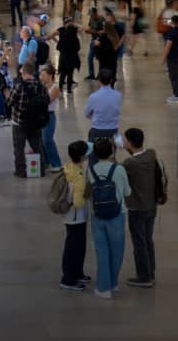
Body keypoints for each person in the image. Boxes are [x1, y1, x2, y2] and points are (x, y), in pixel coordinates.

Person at [123, 127, 167, 288]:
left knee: (139, 243)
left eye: (125, 140)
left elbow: (118, 172)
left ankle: (144, 277)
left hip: (136, 208)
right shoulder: (151, 154)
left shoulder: (129, 164)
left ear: (129, 142)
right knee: (148, 240)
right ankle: (151, 272)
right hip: (151, 206)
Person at [86, 135, 130, 298]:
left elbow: (88, 192)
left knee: (102, 251)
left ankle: (103, 288)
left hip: (97, 214)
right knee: (117, 250)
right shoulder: (119, 170)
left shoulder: (91, 170)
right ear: (112, 151)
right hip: (117, 214)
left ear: (95, 154)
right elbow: (127, 192)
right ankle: (113, 282)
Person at [59, 139, 91, 292]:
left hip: (69, 217)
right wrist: (87, 194)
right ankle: (68, 279)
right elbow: (78, 203)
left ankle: (78, 273)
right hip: (76, 218)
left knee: (78, 246)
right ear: (83, 157)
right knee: (74, 248)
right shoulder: (78, 178)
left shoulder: (68, 168)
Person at [8, 62, 48, 178]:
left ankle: (20, 170)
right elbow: (46, 100)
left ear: (23, 71)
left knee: (19, 148)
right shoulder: (41, 86)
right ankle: (41, 169)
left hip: (19, 122)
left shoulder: (19, 86)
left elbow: (10, 102)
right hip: (35, 122)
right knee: (37, 146)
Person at [84, 69, 122, 144]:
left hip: (97, 129)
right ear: (111, 80)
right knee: (111, 150)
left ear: (99, 80)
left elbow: (87, 113)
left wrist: (95, 118)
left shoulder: (93, 96)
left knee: (92, 149)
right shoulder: (118, 95)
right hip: (113, 129)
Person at [38, 64, 62, 171]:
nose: (41, 77)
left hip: (49, 115)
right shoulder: (40, 86)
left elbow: (47, 101)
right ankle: (46, 161)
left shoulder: (55, 88)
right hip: (40, 115)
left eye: (43, 75)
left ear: (50, 76)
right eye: (41, 75)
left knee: (47, 140)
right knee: (41, 140)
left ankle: (56, 163)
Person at [161, 12, 178, 103]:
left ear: (172, 22)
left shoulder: (171, 33)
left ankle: (176, 96)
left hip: (172, 57)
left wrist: (164, 58)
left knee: (173, 76)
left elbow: (168, 46)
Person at [54, 16, 81, 95]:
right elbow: (78, 48)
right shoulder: (75, 38)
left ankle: (60, 88)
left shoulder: (63, 37)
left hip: (63, 58)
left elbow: (59, 47)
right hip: (72, 58)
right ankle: (69, 90)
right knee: (70, 74)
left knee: (63, 73)